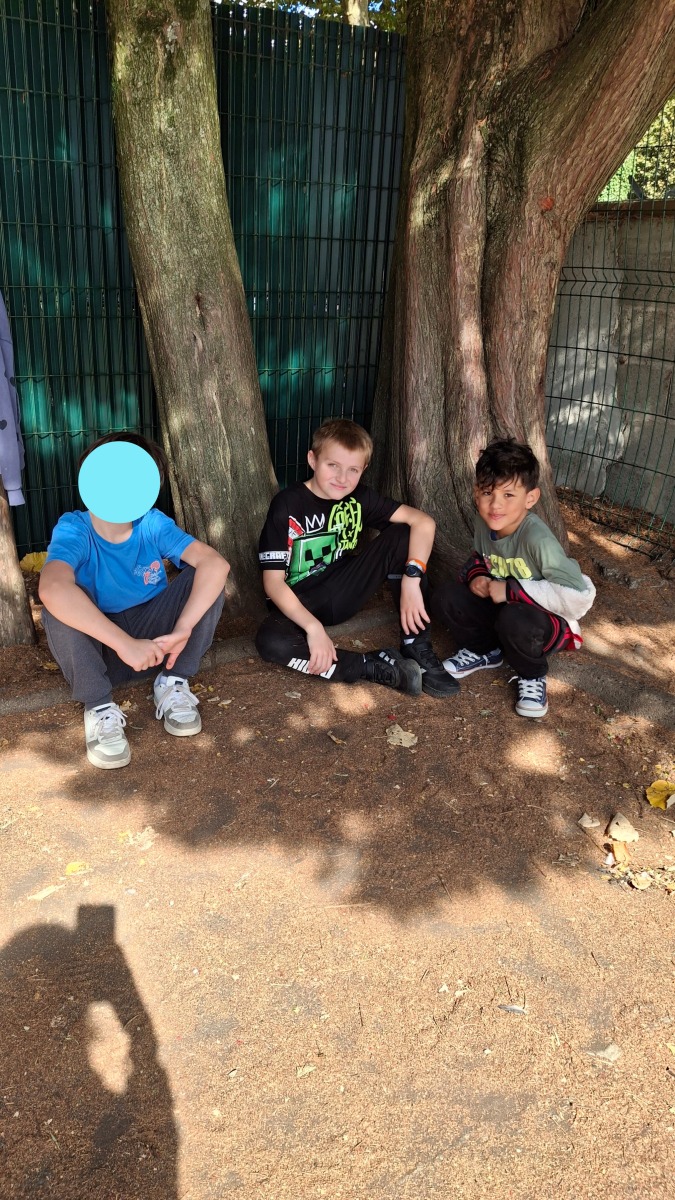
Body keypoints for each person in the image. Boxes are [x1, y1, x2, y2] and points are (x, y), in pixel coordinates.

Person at [39, 433, 229, 768]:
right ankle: (98, 706)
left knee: (206, 578)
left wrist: (183, 629)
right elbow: (52, 587)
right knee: (60, 604)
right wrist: (124, 644)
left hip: (161, 647)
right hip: (104, 649)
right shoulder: (75, 528)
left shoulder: (151, 523)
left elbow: (216, 564)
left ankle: (172, 682)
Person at [255, 418, 457, 698]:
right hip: (299, 601)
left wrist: (412, 579)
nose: (342, 478)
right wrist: (313, 628)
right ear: (312, 460)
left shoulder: (359, 497)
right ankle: (369, 665)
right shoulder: (287, 504)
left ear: (364, 469)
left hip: (344, 587)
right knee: (271, 642)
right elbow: (273, 582)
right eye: (332, 465)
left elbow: (423, 522)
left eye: (353, 470)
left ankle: (416, 645)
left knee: (404, 533)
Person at [432, 437, 595, 718]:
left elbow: (578, 596)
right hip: (503, 610)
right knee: (446, 596)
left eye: (508, 495)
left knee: (514, 618)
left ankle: (532, 676)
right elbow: (481, 558)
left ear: (530, 498)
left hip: (539, 622)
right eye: (487, 493)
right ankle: (485, 651)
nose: (495, 505)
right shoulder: (485, 522)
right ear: (476, 493)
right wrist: (478, 577)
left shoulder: (537, 539)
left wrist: (510, 591)